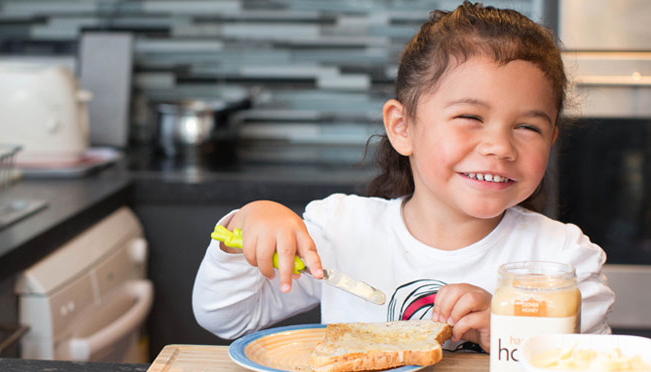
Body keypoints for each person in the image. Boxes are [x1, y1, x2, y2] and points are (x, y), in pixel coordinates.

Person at [192, 1, 614, 352]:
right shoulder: (340, 232)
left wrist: (510, 328)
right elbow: (227, 317)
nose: (500, 147)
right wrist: (246, 223)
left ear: (552, 140)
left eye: (528, 127)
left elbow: (590, 371)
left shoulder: (563, 262)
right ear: (402, 127)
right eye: (470, 117)